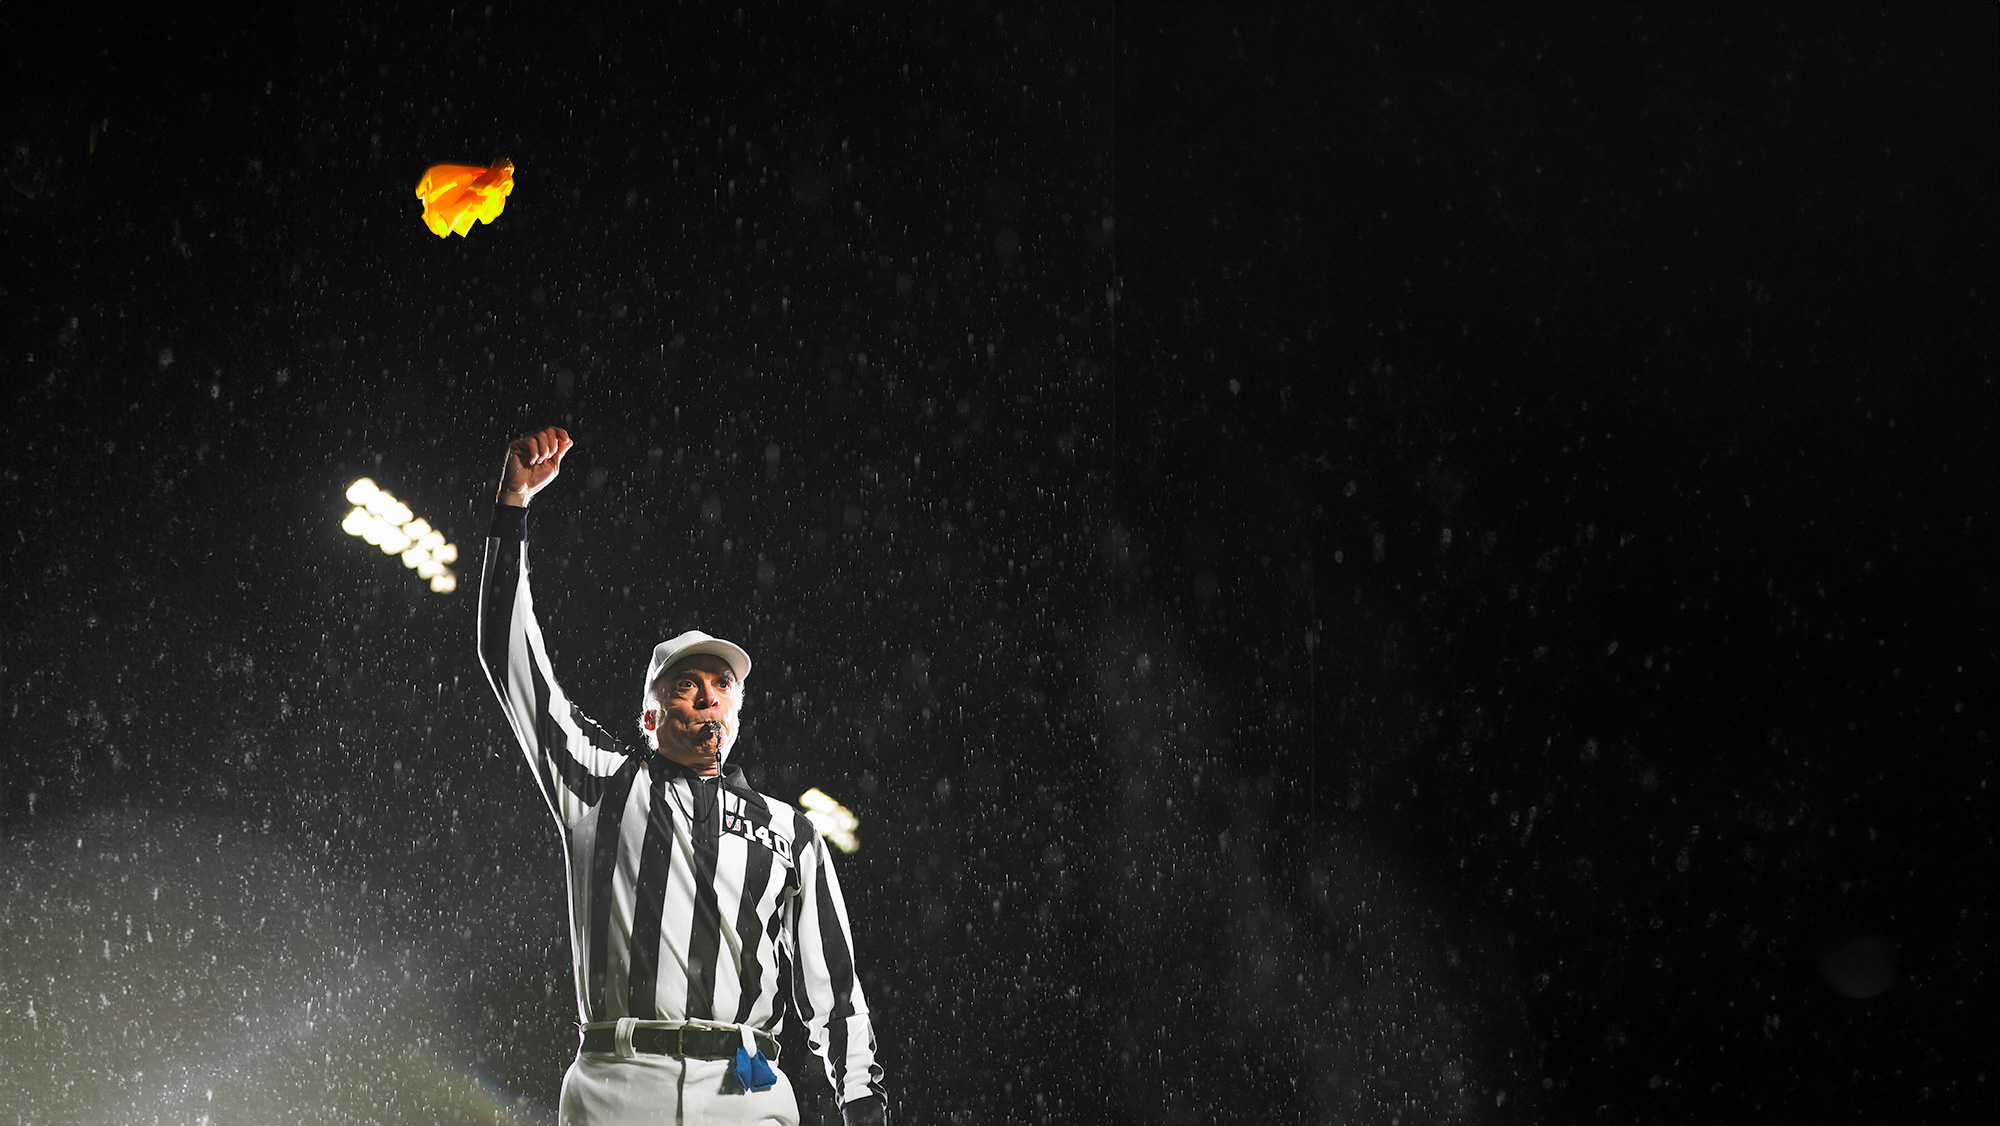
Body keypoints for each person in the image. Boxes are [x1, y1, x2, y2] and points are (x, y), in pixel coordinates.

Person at [476, 426, 890, 1126]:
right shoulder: (598, 782)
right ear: (648, 715)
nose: (707, 694)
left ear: (737, 712)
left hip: (746, 1087)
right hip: (618, 1083)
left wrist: (860, 1098)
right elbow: (508, 653)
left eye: (722, 684)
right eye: (686, 683)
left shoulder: (790, 832)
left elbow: (834, 990)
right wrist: (512, 503)